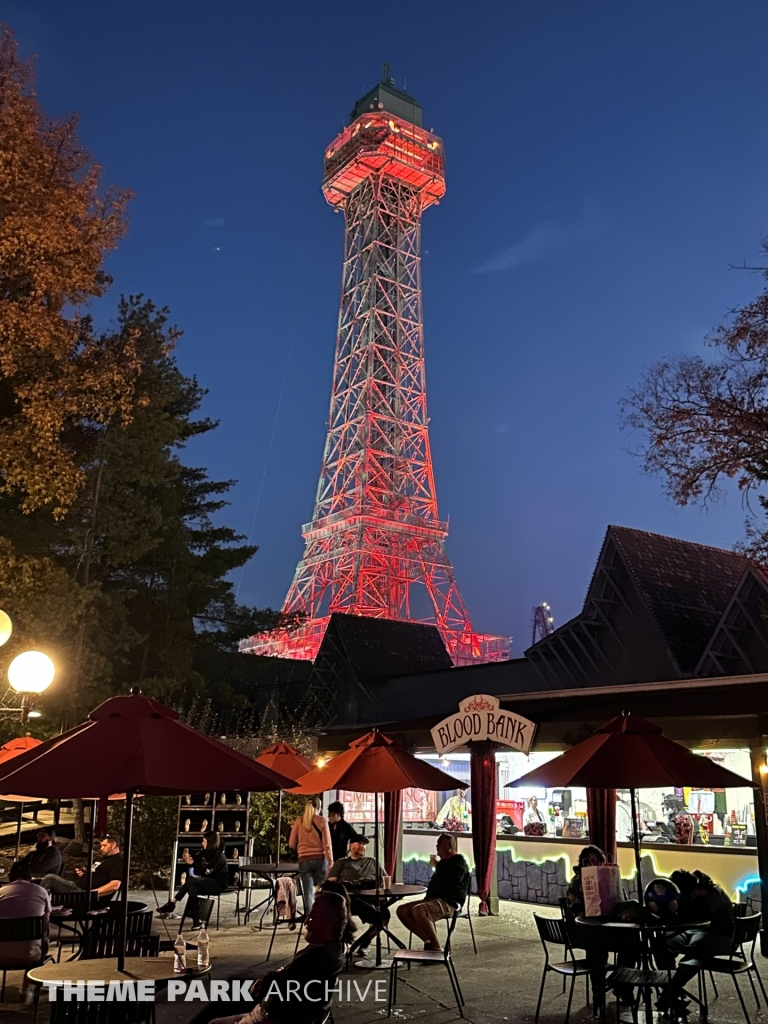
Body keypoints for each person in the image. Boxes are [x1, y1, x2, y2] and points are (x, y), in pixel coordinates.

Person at [204, 888, 348, 1024]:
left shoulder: (318, 958)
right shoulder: (332, 949)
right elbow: (285, 979)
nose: (306, 922)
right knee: (229, 990)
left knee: (215, 1020)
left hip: (271, 1017)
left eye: (312, 917)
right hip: (274, 1009)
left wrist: (271, 978)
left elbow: (278, 983)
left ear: (329, 923)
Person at [565, 845, 637, 1010]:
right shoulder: (577, 882)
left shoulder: (610, 879)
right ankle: (598, 992)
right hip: (586, 929)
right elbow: (574, 908)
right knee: (597, 948)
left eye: (595, 861)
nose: (591, 864)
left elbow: (621, 901)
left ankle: (623, 986)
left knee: (631, 944)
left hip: (609, 927)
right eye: (587, 861)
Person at [655, 869, 735, 1015]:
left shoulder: (713, 893)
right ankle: (672, 992)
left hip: (724, 937)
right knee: (661, 943)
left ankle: (668, 995)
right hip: (697, 933)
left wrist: (689, 900)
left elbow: (694, 914)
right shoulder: (694, 888)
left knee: (696, 953)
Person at [397, 833, 470, 951]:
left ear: (448, 845)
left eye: (439, 844)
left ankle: (436, 947)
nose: (436, 847)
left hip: (450, 902)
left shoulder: (458, 861)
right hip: (433, 900)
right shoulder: (443, 863)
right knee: (402, 910)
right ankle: (428, 941)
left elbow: (454, 879)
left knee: (419, 910)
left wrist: (438, 866)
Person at [0, 860, 51, 1003]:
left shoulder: (1, 892)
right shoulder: (41, 892)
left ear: (10, 876)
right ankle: (27, 988)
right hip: (29, 955)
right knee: (40, 941)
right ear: (30, 876)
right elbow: (45, 925)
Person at [326, 834, 387, 951]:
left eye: (364, 844)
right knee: (374, 914)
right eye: (359, 843)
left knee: (385, 915)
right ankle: (346, 942)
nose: (362, 846)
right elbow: (330, 883)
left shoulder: (372, 862)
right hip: (350, 901)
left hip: (371, 898)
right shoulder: (342, 863)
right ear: (350, 846)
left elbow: (385, 880)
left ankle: (364, 942)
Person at [156, 831, 229, 926]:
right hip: (207, 881)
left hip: (218, 883)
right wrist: (188, 858)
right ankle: (196, 921)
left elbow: (206, 872)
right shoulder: (204, 852)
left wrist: (193, 864)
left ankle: (172, 902)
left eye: (204, 841)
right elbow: (197, 861)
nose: (202, 843)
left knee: (192, 879)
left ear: (210, 842)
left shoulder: (219, 856)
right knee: (192, 888)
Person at [40, 833, 123, 903]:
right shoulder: (104, 859)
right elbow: (95, 874)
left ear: (113, 845)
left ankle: (36, 905)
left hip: (81, 893)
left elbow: (114, 885)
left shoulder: (118, 861)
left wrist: (92, 894)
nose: (101, 849)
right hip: (77, 886)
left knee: (50, 878)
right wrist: (82, 873)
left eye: (104, 846)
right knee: (41, 884)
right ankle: (43, 907)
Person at [288, 797, 333, 912]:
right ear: (319, 807)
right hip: (320, 859)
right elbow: (327, 844)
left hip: (304, 860)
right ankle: (323, 915)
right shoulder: (322, 820)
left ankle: (310, 918)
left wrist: (302, 845)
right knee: (323, 890)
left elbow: (291, 843)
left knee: (307, 891)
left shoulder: (299, 821)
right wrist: (330, 862)